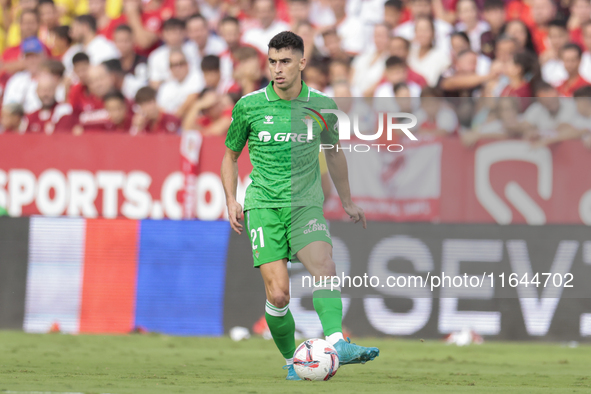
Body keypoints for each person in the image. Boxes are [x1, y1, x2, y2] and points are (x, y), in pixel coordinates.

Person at [220, 31, 379, 382]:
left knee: (324, 264)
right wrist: (231, 198)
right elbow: (230, 157)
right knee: (278, 295)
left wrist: (348, 200)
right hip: (262, 204)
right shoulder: (249, 106)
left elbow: (334, 153)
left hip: (305, 204)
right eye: (273, 62)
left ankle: (338, 342)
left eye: (286, 62)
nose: (278, 69)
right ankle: (295, 360)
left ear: (302, 63)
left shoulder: (322, 106)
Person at [156, 49, 205, 118]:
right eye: (173, 65)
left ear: (188, 64)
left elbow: (190, 101)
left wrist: (171, 119)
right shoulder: (166, 85)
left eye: (181, 63)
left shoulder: (197, 77)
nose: (177, 68)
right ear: (169, 68)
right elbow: (159, 108)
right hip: (170, 123)